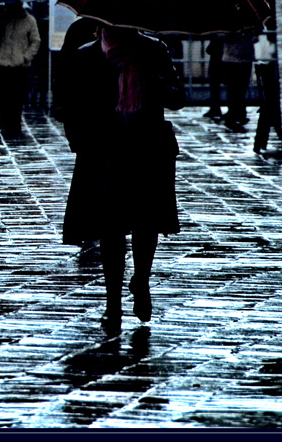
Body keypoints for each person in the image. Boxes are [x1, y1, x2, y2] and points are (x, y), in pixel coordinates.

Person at [54, 24, 185, 335]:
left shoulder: (153, 50)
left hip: (147, 150)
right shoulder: (86, 56)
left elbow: (178, 98)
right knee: (111, 231)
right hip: (105, 153)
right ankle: (113, 303)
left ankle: (142, 279)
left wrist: (149, 77)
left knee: (146, 224)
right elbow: (64, 105)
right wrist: (80, 137)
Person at [0, 1, 40, 137]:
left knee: (17, 96)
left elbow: (36, 40)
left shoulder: (29, 20)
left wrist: (26, 56)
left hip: (19, 64)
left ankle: (14, 124)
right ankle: (4, 121)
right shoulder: (2, 19)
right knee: (2, 95)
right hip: (2, 62)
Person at [221, 32, 256, 131]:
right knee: (234, 89)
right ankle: (233, 115)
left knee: (240, 89)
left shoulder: (248, 28)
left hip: (241, 58)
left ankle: (239, 113)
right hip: (234, 59)